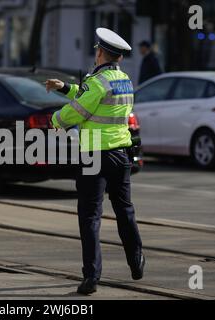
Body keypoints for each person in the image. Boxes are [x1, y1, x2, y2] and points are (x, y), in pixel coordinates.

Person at [45, 28, 144, 295]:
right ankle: (136, 261)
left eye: (96, 50)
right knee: (125, 210)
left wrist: (54, 121)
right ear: (118, 58)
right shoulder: (123, 80)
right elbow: (91, 96)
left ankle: (91, 277)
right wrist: (65, 87)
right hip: (121, 153)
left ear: (100, 52)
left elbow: (80, 109)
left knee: (90, 216)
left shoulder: (98, 81)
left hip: (95, 157)